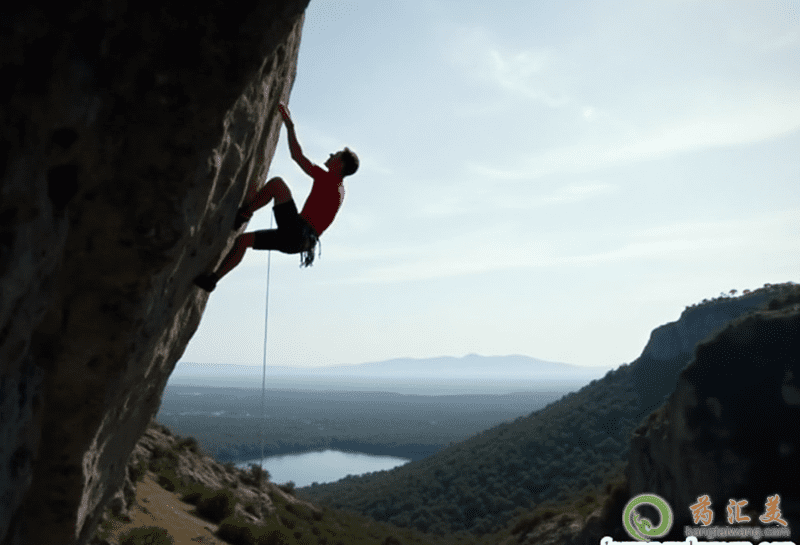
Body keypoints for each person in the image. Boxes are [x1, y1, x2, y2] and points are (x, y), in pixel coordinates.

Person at [194, 102, 358, 292]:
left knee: (277, 185)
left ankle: (245, 213)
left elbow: (297, 156)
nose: (331, 154)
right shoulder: (340, 189)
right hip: (300, 243)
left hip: (297, 231)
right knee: (243, 241)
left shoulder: (330, 180)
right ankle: (212, 280)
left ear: (339, 165)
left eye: (336, 155)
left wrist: (289, 125)